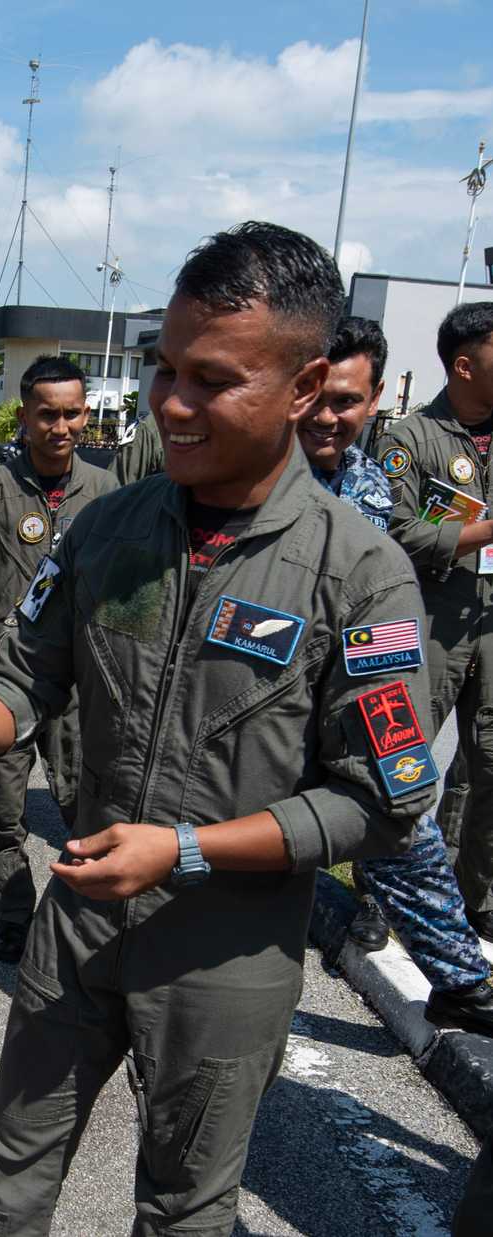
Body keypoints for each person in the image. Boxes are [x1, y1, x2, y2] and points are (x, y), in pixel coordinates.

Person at [0, 222, 435, 1234]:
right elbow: (22, 679)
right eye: (166, 368)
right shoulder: (108, 528)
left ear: (301, 390)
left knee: (184, 1210)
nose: (170, 401)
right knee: (8, 1173)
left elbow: (385, 800)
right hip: (81, 915)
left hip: (225, 953)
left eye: (211, 380)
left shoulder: (359, 573)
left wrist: (186, 850)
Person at [295, 317, 493, 1031]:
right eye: (313, 394)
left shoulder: (369, 486)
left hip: (354, 697)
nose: (326, 415)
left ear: (375, 396)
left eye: (346, 400)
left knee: (405, 806)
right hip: (260, 712)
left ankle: (462, 979)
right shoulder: (249, 478)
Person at [0, 355, 116, 962]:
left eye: (72, 414)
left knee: (83, 806)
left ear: (85, 414)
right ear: (24, 416)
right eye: (47, 415)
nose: (60, 427)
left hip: (79, 684)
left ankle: (85, 917)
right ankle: (14, 914)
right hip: (3, 680)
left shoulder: (109, 493)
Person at [376, 301, 493, 943]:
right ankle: (382, 894)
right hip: (431, 617)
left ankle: (472, 894)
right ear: (465, 364)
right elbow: (396, 530)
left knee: (487, 765)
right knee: (404, 759)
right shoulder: (411, 439)